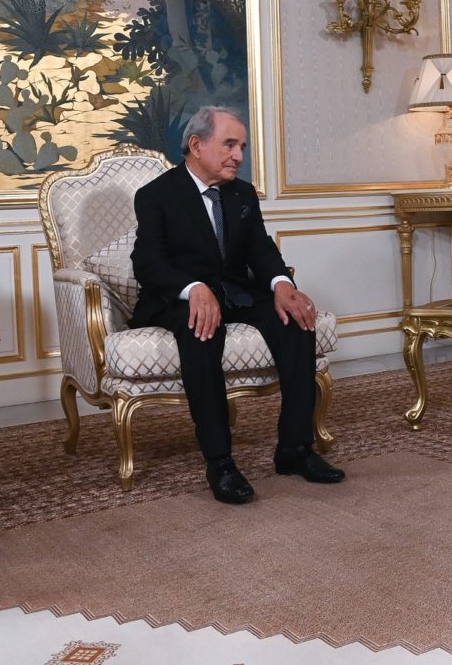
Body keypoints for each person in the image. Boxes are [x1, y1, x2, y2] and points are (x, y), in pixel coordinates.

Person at [130, 105, 344, 504]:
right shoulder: (157, 195)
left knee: (297, 322)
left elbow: (260, 249)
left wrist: (282, 284)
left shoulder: (242, 193)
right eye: (230, 145)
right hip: (178, 299)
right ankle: (221, 463)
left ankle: (295, 449)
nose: (238, 156)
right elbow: (147, 263)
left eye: (242, 147)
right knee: (202, 329)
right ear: (197, 145)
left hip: (235, 292)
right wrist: (192, 287)